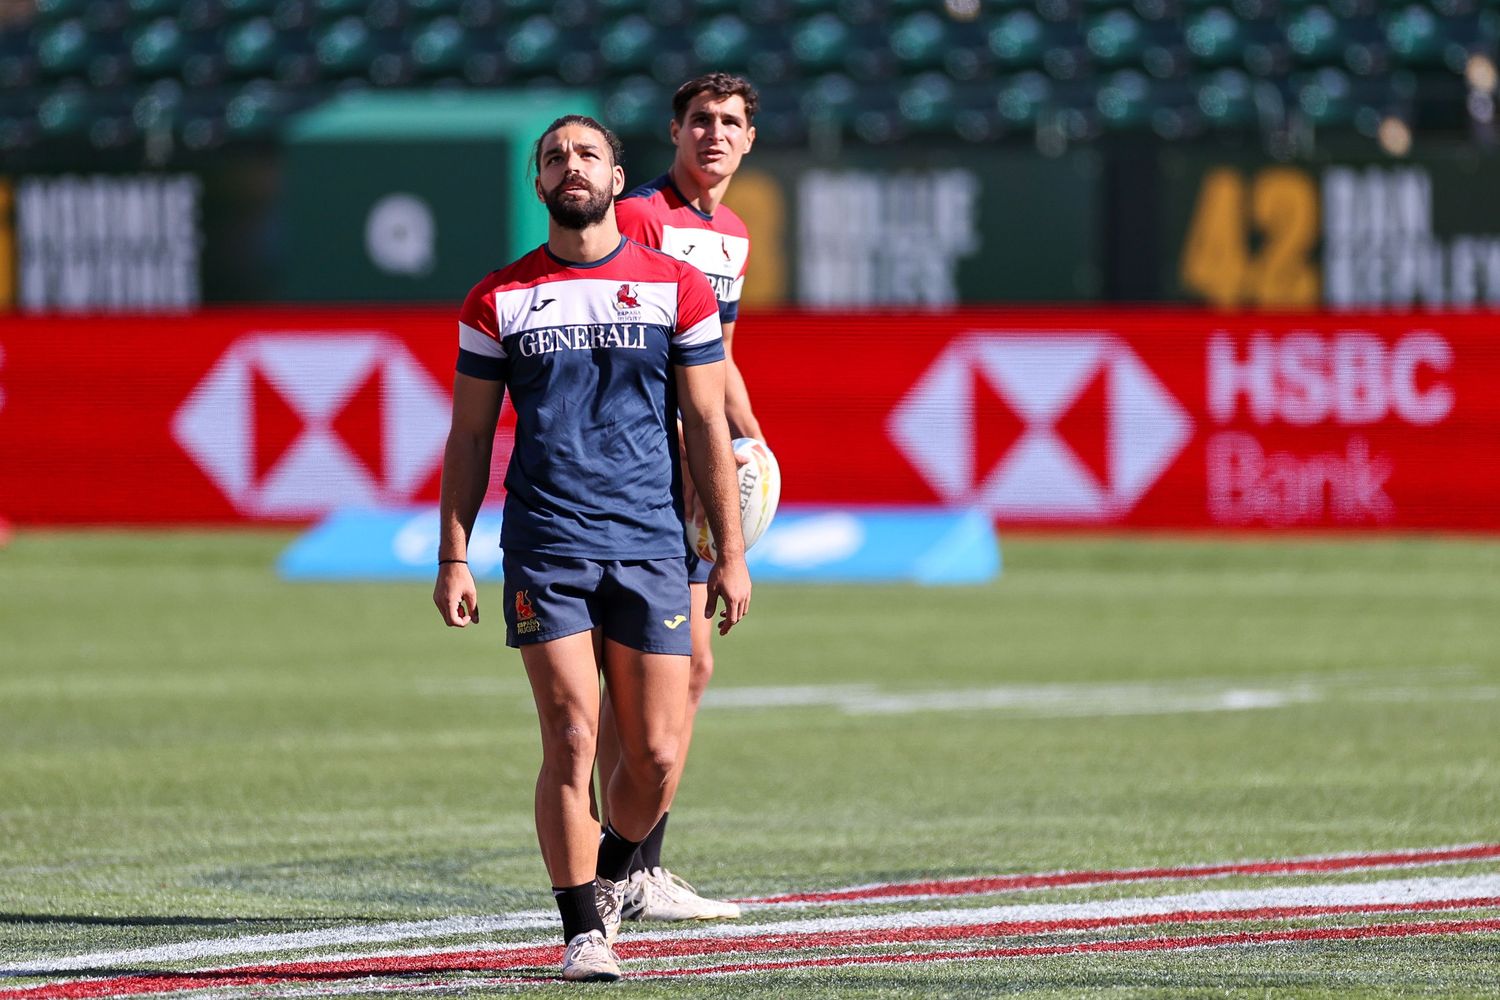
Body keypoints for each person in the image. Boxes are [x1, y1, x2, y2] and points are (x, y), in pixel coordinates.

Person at [432, 114, 751, 983]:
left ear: (618, 178)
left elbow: (707, 427)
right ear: (538, 185)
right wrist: (453, 554)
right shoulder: (496, 298)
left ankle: (612, 876)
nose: (570, 167)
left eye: (587, 155)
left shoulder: (675, 287)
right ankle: (581, 931)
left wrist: (729, 551)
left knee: (652, 758)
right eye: (554, 158)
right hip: (547, 544)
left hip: (652, 545)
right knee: (572, 735)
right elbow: (467, 439)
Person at [603, 72, 763, 923]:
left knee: (691, 669)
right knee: (628, 682)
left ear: (749, 140)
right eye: (700, 119)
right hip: (630, 468)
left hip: (686, 473)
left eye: (731, 122)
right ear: (673, 130)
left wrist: (751, 441)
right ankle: (614, 865)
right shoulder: (638, 217)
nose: (715, 134)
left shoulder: (731, 234)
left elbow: (718, 355)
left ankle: (640, 866)